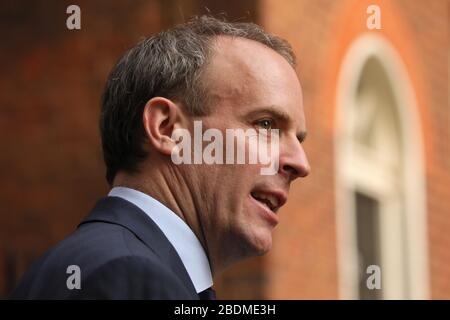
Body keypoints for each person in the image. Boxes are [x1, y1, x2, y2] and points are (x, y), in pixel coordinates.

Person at [10, 15, 310, 299]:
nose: (300, 163)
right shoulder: (127, 277)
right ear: (167, 129)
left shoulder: (100, 264)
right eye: (267, 125)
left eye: (298, 139)